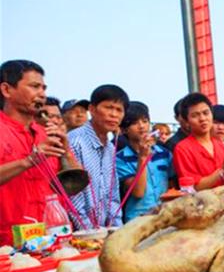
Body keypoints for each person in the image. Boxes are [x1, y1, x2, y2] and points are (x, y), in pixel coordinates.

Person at [0, 60, 79, 245]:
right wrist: (28, 161)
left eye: (43, 88)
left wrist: (66, 151)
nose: (42, 94)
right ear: (6, 90)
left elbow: (74, 186)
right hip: (8, 244)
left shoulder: (46, 134)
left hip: (54, 239)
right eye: (34, 87)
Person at [68, 84, 130, 228]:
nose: (114, 114)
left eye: (119, 110)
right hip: (82, 233)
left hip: (103, 232)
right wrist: (90, 232)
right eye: (108, 107)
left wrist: (116, 229)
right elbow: (73, 198)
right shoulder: (75, 142)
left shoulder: (110, 147)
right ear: (92, 109)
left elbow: (113, 195)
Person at [116, 102, 174, 222]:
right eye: (135, 123)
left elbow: (172, 186)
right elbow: (138, 192)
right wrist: (142, 157)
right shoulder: (120, 159)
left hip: (165, 214)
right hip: (138, 219)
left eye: (145, 121)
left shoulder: (164, 153)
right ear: (124, 130)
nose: (141, 126)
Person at [173, 93, 224, 190]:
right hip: (204, 204)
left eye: (206, 113)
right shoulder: (182, 149)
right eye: (195, 115)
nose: (202, 119)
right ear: (186, 121)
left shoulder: (220, 145)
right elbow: (194, 187)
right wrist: (222, 170)